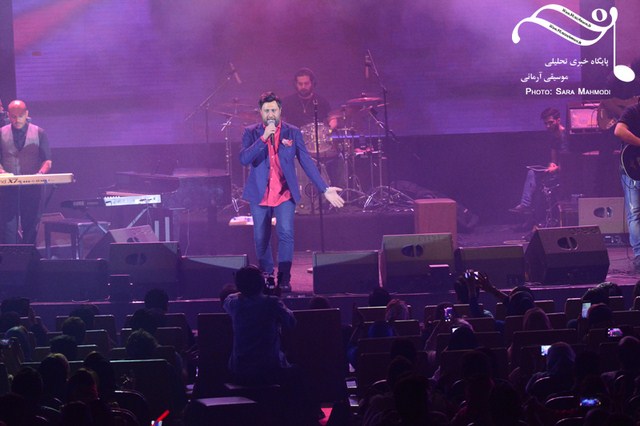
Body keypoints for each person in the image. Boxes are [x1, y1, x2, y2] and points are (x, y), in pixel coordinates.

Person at [240, 91, 344, 292]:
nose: (270, 114)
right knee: (261, 237)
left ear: (280, 110)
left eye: (274, 110)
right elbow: (244, 159)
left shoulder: (292, 132)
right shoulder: (250, 132)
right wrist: (263, 138)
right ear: (260, 112)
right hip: (260, 193)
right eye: (266, 110)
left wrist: (324, 188)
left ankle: (284, 278)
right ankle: (267, 275)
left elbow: (306, 161)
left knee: (286, 234)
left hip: (284, 192)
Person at [281, 68, 345, 189]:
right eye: (300, 84)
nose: (303, 87)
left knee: (338, 157)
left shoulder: (321, 101)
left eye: (306, 83)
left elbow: (332, 118)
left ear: (312, 83)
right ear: (295, 84)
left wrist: (331, 127)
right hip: (295, 143)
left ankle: (335, 191)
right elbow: (279, 122)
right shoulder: (288, 102)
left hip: (318, 144)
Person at [0, 100, 52, 244]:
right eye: (13, 116)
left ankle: (28, 254)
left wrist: (40, 174)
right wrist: (2, 172)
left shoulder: (39, 132)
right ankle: (9, 256)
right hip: (7, 187)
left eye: (20, 116)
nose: (17, 119)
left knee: (30, 223)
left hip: (31, 186)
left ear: (27, 113)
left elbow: (47, 160)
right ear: (8, 115)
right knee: (8, 225)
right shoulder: (1, 133)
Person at [510, 107, 567, 216]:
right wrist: (552, 165)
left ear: (558, 120)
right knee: (532, 173)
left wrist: (556, 168)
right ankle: (525, 205)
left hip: (568, 173)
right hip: (558, 171)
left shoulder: (566, 136)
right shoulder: (553, 137)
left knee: (539, 186)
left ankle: (532, 212)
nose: (548, 126)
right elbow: (554, 160)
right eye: (546, 123)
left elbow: (571, 161)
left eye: (550, 123)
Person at [614, 100, 640, 271]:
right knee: (635, 213)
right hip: (633, 167)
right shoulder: (633, 111)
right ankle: (639, 256)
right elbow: (619, 130)